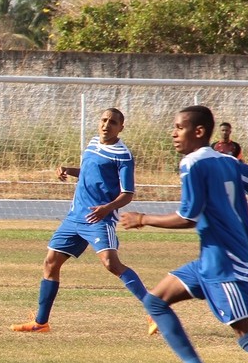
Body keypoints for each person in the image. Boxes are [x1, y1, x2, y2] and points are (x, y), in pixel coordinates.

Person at [121, 105, 248, 363]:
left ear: (198, 131)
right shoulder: (226, 160)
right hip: (209, 260)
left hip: (225, 264)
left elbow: (189, 216)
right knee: (155, 300)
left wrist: (143, 218)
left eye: (179, 127)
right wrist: (244, 222)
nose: (173, 133)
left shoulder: (193, 163)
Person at [10, 108, 149, 333]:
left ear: (121, 128)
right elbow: (88, 170)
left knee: (111, 264)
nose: (106, 125)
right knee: (50, 263)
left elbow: (128, 193)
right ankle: (41, 322)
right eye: (104, 120)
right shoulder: (93, 143)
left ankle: (155, 312)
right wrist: (68, 169)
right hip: (74, 217)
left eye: (112, 122)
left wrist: (107, 209)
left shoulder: (123, 155)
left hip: (98, 218)